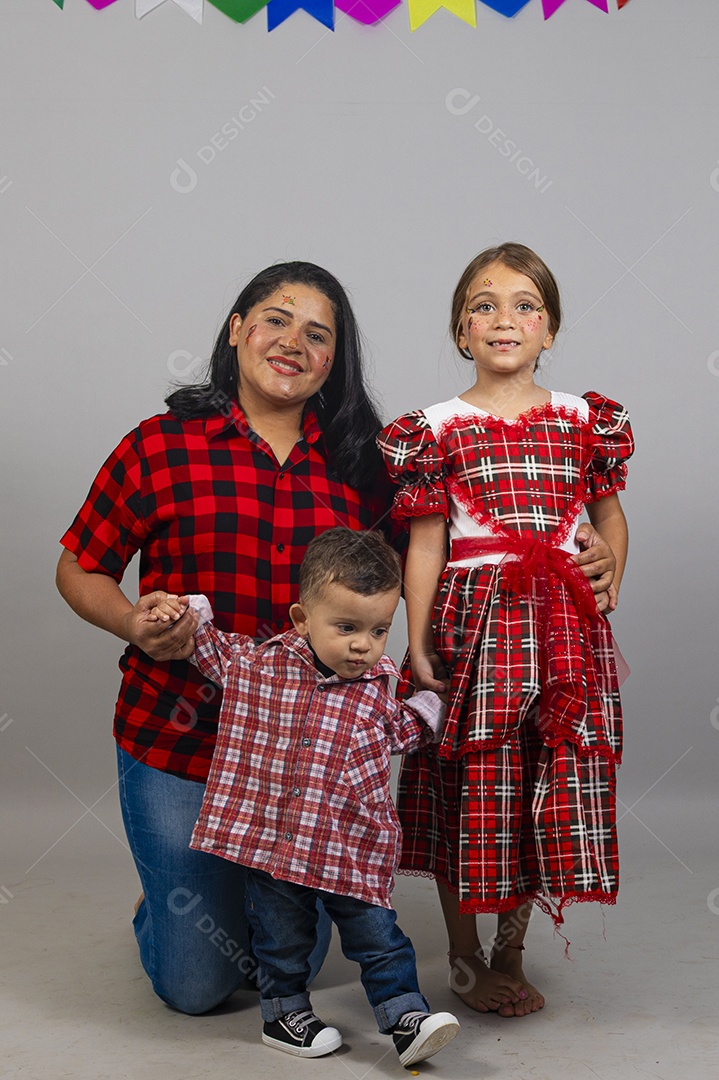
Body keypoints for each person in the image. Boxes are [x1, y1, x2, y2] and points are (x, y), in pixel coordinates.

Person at [55, 262, 394, 1015]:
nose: (292, 343)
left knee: (289, 963)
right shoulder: (160, 446)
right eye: (275, 319)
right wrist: (129, 623)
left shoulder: (361, 471)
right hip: (178, 742)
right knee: (200, 987)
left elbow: (437, 549)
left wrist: (573, 541)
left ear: (333, 362)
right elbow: (80, 568)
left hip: (298, 758)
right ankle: (169, 903)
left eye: (317, 334)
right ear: (237, 329)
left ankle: (228, 889)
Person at [378, 243, 633, 1019]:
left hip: (559, 632)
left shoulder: (585, 420)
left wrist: (609, 569)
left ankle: (510, 948)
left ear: (549, 328)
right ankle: (461, 956)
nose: (504, 319)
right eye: (482, 305)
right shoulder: (434, 428)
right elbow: (424, 544)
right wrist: (416, 642)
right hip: (475, 626)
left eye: (525, 304)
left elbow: (608, 520)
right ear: (461, 331)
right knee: (469, 783)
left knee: (537, 785)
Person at [148, 528, 460, 1066]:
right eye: (346, 628)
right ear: (301, 620)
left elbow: (408, 729)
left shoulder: (378, 694)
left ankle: (406, 1018)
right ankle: (284, 1014)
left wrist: (434, 707)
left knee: (378, 936)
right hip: (275, 847)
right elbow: (206, 643)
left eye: (379, 630)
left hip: (349, 852)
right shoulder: (256, 666)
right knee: (283, 938)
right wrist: (179, 612)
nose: (363, 644)